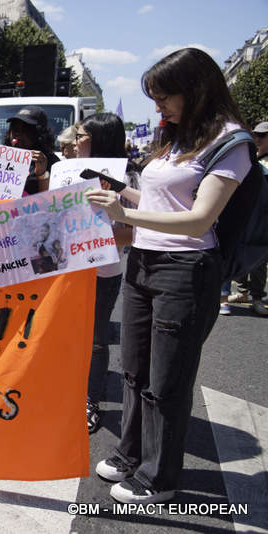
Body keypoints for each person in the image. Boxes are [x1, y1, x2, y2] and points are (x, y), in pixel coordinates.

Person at [87, 48, 252, 504]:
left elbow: (199, 219)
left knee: (167, 379)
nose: (157, 107)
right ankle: (130, 453)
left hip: (185, 271)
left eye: (163, 98)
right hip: (144, 263)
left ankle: (160, 476)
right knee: (135, 371)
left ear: (194, 90)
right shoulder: (180, 137)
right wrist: (120, 192)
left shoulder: (231, 142)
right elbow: (165, 201)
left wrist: (126, 215)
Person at [76, 112, 139, 434]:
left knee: (96, 341)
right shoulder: (64, 171)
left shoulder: (126, 180)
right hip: (63, 275)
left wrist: (93, 234)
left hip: (102, 274)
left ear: (98, 139)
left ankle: (90, 400)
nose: (74, 142)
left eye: (81, 136)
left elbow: (135, 234)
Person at [224, 120, 268, 316]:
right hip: (244, 213)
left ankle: (257, 297)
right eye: (256, 135)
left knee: (259, 253)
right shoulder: (248, 156)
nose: (257, 139)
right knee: (232, 248)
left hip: (263, 215)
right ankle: (239, 292)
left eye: (262, 136)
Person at [4, 106, 60, 194]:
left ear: (39, 134)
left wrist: (42, 174)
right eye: (15, 130)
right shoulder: (1, 158)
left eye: (25, 131)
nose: (17, 135)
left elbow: (53, 198)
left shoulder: (52, 162)